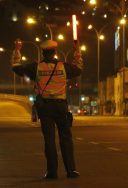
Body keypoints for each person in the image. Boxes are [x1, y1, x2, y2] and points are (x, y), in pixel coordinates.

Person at [12, 39, 83, 179]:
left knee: (49, 140)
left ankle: (52, 172)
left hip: (45, 107)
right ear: (55, 52)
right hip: (61, 106)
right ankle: (71, 170)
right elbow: (78, 68)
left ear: (43, 52)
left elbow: (16, 67)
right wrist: (77, 51)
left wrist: (17, 50)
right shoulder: (64, 67)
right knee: (66, 139)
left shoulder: (36, 67)